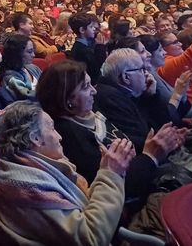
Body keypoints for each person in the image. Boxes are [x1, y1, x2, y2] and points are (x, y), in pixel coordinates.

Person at [0, 103, 134, 246]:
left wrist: (108, 171)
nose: (59, 136)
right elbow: (91, 238)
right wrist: (111, 173)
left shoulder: (31, 165)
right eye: (52, 129)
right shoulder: (29, 187)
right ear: (35, 138)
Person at [38, 60, 178, 197]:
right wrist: (150, 156)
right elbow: (115, 184)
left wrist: (160, 142)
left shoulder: (90, 113)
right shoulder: (70, 135)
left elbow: (125, 139)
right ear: (67, 99)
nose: (94, 91)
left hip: (149, 171)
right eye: (86, 87)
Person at [94, 49, 188, 153]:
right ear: (126, 77)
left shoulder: (128, 93)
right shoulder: (111, 100)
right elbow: (143, 140)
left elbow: (164, 124)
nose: (146, 74)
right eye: (141, 69)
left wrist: (152, 96)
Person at [0, 34, 42, 101]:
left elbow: (47, 83)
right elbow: (27, 96)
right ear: (17, 53)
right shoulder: (10, 77)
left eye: (33, 51)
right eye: (29, 52)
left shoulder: (33, 68)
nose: (33, 55)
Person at [68, 12, 107, 85]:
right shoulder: (81, 49)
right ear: (82, 30)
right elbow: (96, 68)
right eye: (92, 27)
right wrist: (100, 47)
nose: (95, 30)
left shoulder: (88, 44)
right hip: (91, 83)